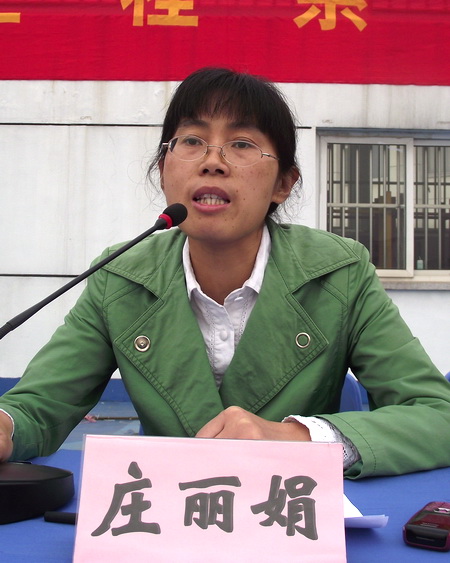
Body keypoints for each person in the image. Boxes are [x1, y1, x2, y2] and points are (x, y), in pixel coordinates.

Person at [0, 67, 449, 480]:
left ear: (283, 184)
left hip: (290, 514)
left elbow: (436, 416)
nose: (212, 161)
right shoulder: (120, 277)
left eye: (242, 144)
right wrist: (5, 426)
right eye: (191, 140)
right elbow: (38, 406)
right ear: (164, 169)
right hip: (162, 518)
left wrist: (299, 438)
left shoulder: (340, 273)